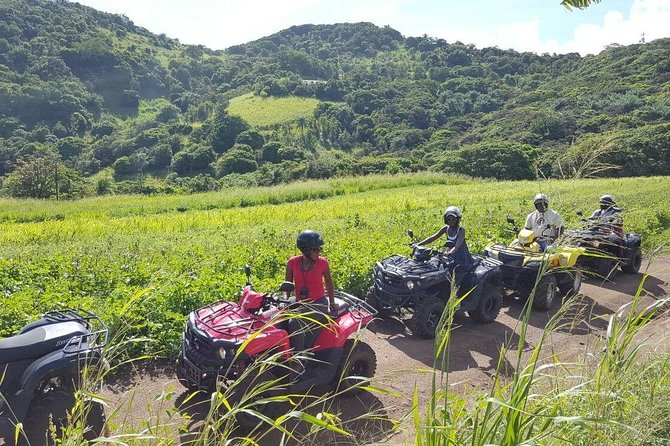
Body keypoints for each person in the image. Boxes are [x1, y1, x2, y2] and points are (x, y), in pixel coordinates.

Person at [285, 230, 338, 357]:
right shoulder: (292, 263)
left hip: (319, 303)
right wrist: (285, 301)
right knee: (275, 316)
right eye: (315, 249)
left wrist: (332, 302)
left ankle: (299, 358)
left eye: (320, 249)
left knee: (295, 322)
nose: (319, 252)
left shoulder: (323, 263)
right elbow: (287, 286)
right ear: (305, 250)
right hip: (300, 302)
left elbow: (329, 283)